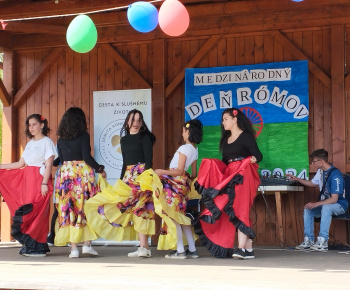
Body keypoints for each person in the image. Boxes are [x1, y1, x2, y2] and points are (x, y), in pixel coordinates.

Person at [85, 109, 156, 258]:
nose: (135, 123)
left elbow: (149, 162)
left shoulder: (145, 137)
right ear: (127, 122)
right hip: (128, 177)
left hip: (143, 176)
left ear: (142, 123)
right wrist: (122, 179)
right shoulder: (123, 140)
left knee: (142, 209)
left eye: (138, 120)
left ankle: (144, 247)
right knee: (121, 206)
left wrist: (146, 180)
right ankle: (144, 248)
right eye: (132, 120)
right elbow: (125, 163)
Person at [194, 108, 263, 259]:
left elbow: (258, 155)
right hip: (231, 175)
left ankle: (240, 249)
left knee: (241, 208)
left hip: (244, 174)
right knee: (231, 209)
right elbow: (225, 162)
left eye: (225, 119)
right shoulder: (226, 140)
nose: (223, 122)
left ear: (234, 119)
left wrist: (253, 159)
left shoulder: (246, 136)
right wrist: (212, 167)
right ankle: (248, 249)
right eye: (222, 119)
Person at [0, 114, 56, 257]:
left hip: (39, 179)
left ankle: (37, 245)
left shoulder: (47, 142)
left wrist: (44, 183)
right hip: (27, 180)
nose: (30, 128)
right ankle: (31, 244)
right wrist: (1, 166)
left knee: (36, 210)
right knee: (27, 209)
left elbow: (49, 165)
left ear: (42, 125)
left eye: (34, 124)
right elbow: (20, 164)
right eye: (29, 125)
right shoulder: (30, 143)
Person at [54, 107, 106, 258]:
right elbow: (87, 157)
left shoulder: (61, 139)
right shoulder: (84, 136)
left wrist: (49, 163)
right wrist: (100, 169)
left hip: (66, 175)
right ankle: (87, 245)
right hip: (82, 175)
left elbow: (61, 160)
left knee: (69, 208)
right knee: (85, 207)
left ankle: (74, 249)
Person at [153, 119, 203, 259]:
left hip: (174, 184)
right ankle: (192, 249)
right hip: (183, 185)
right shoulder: (194, 150)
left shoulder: (184, 148)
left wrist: (161, 171)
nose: (182, 134)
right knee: (181, 216)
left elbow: (179, 170)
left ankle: (180, 250)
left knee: (174, 217)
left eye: (183, 131)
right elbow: (193, 174)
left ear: (188, 132)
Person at [286, 149, 348, 251]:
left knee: (326, 207)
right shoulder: (321, 171)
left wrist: (316, 203)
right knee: (308, 208)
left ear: (321, 161)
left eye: (314, 161)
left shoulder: (335, 175)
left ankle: (322, 241)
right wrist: (297, 179)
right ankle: (308, 241)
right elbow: (313, 183)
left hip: (340, 205)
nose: (312, 164)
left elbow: (334, 199)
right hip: (326, 205)